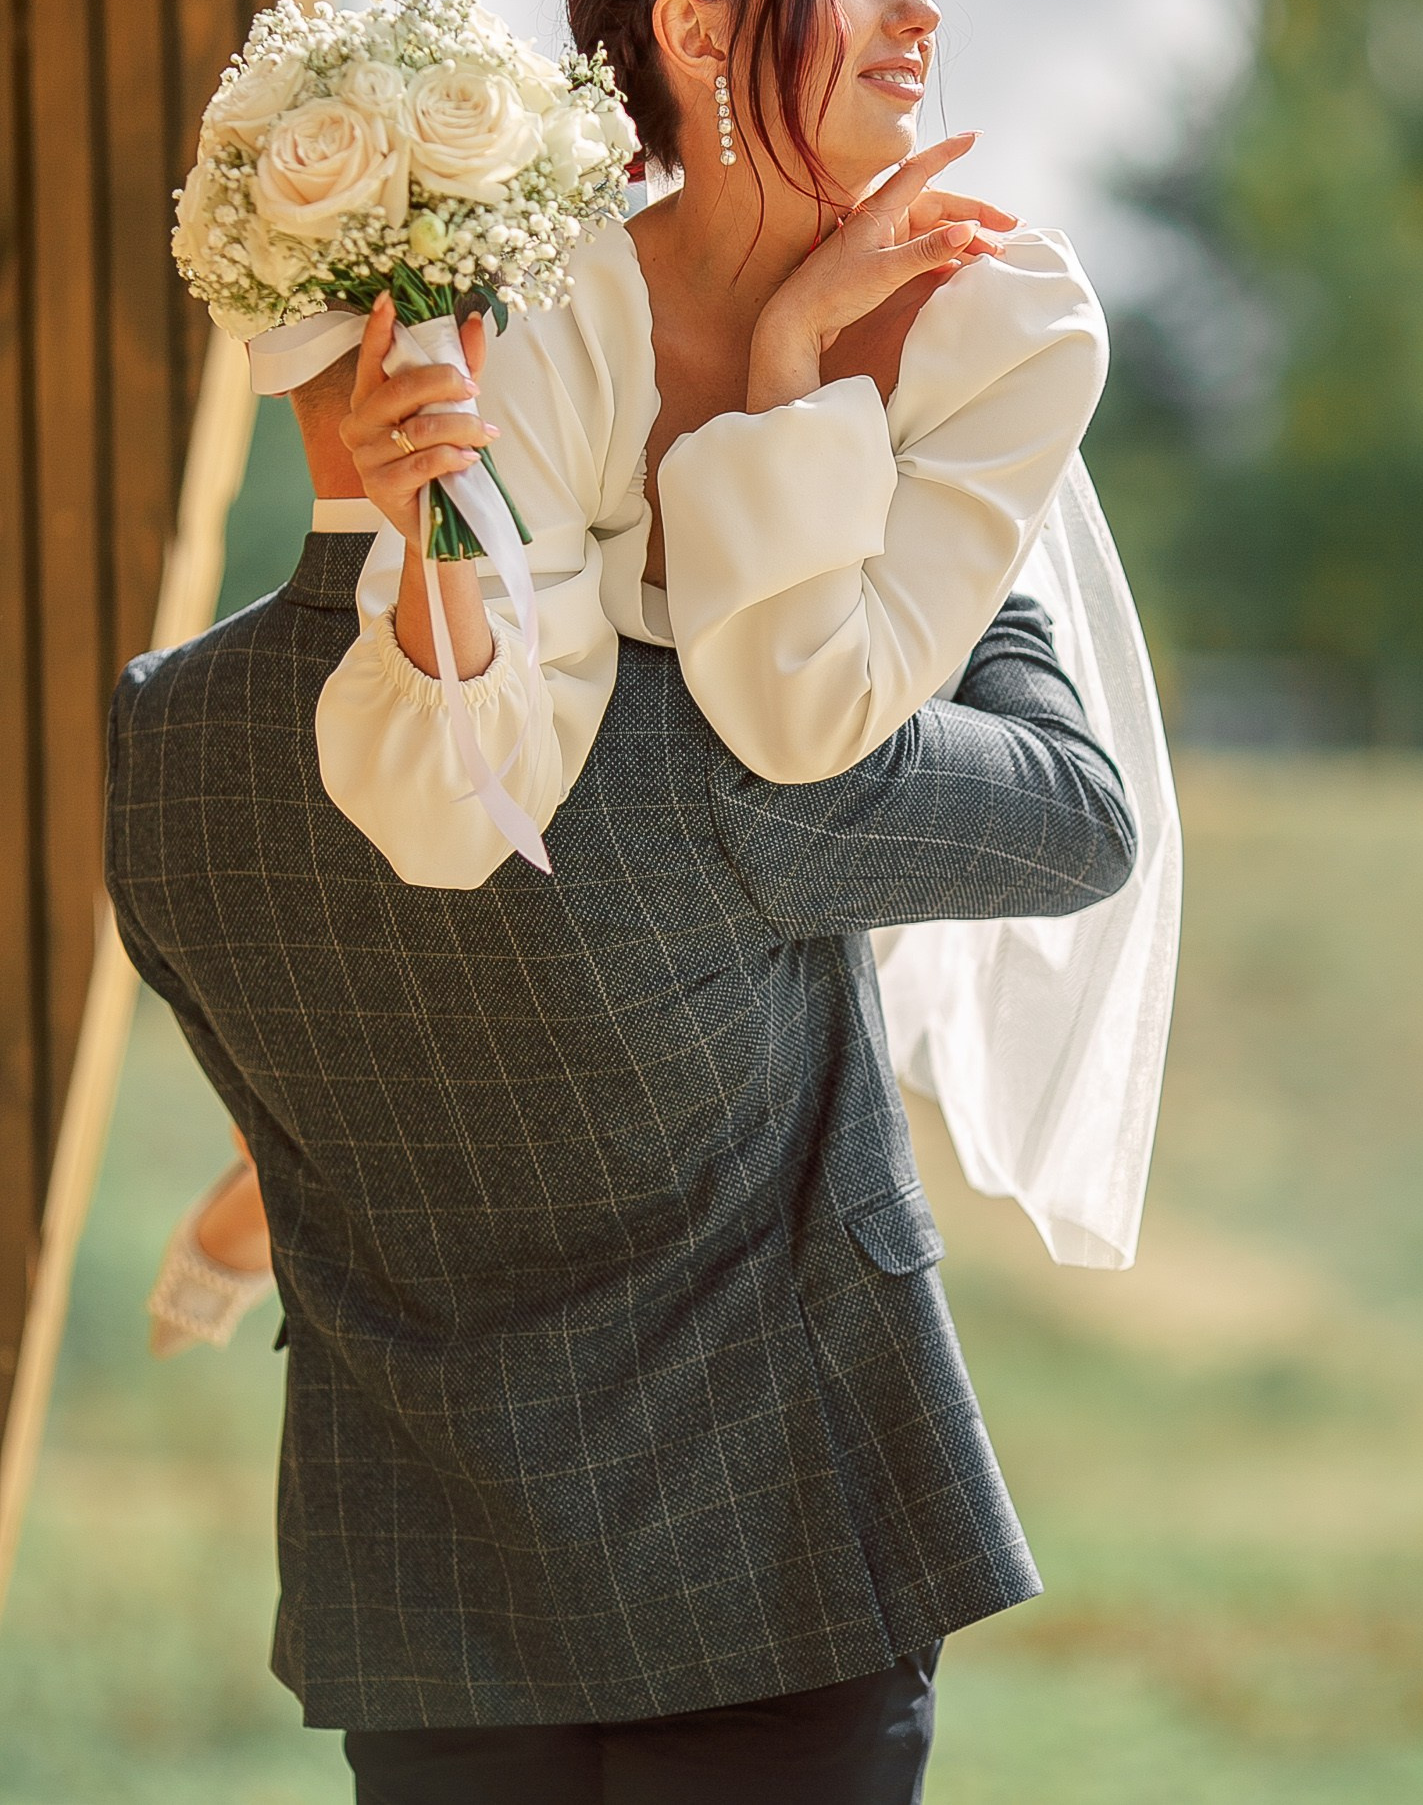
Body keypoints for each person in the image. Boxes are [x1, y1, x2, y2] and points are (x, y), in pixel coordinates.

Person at [150, 0, 1165, 1342]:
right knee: (485, 837)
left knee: (628, 856)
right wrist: (431, 539)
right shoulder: (556, 313)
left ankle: (285, 1179)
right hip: (629, 786)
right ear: (695, 40)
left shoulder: (1012, 320)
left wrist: (786, 358)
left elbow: (805, 721)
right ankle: (282, 1175)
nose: (922, 12)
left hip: (875, 704)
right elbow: (463, 801)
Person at [108, 374, 1137, 1798]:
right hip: (775, 1563)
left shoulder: (162, 738)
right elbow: (1073, 815)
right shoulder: (694, 711)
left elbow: (294, 1089)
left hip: (423, 1586)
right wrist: (990, 532)